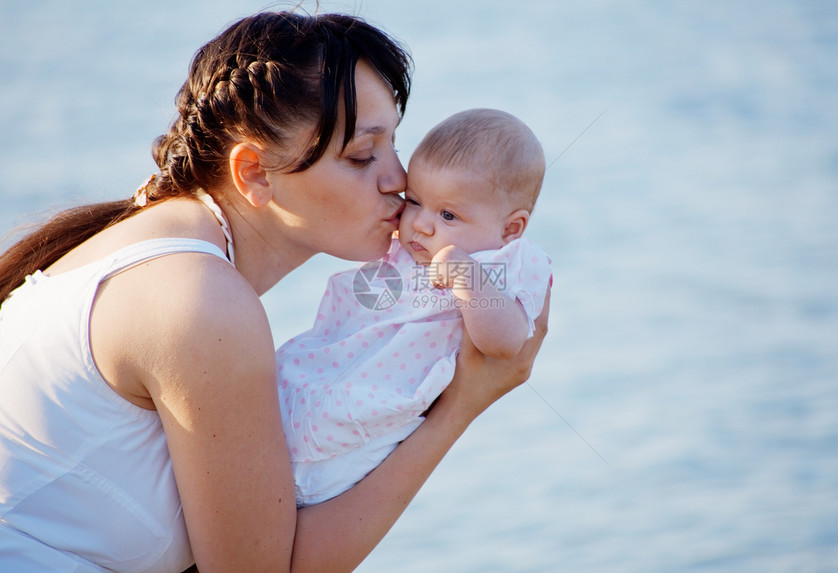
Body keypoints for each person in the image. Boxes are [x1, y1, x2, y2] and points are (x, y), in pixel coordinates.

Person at [0, 10, 549, 572]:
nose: (399, 181)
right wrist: (460, 405)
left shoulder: (152, 248)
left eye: (394, 147)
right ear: (255, 174)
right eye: (363, 156)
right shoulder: (199, 303)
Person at [279, 108, 551, 507]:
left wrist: (466, 274)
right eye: (415, 201)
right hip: (304, 388)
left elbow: (506, 343)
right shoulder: (406, 246)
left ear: (510, 229)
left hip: (369, 426)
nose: (421, 224)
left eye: (448, 214)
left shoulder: (507, 264)